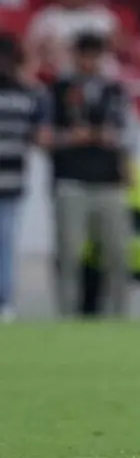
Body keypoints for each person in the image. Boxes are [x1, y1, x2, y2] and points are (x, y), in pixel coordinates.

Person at [39, 33, 133, 318]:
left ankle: (120, 319)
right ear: (75, 56)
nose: (89, 62)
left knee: (117, 255)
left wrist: (117, 148)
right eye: (85, 55)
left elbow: (129, 135)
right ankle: (67, 316)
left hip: (109, 181)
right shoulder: (57, 90)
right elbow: (43, 137)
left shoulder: (115, 91)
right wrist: (71, 137)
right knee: (69, 256)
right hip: (72, 181)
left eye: (95, 55)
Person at [0, 35, 44, 323]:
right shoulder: (27, 95)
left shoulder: (28, 94)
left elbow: (39, 135)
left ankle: (4, 302)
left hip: (11, 181)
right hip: (12, 177)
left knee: (5, 242)